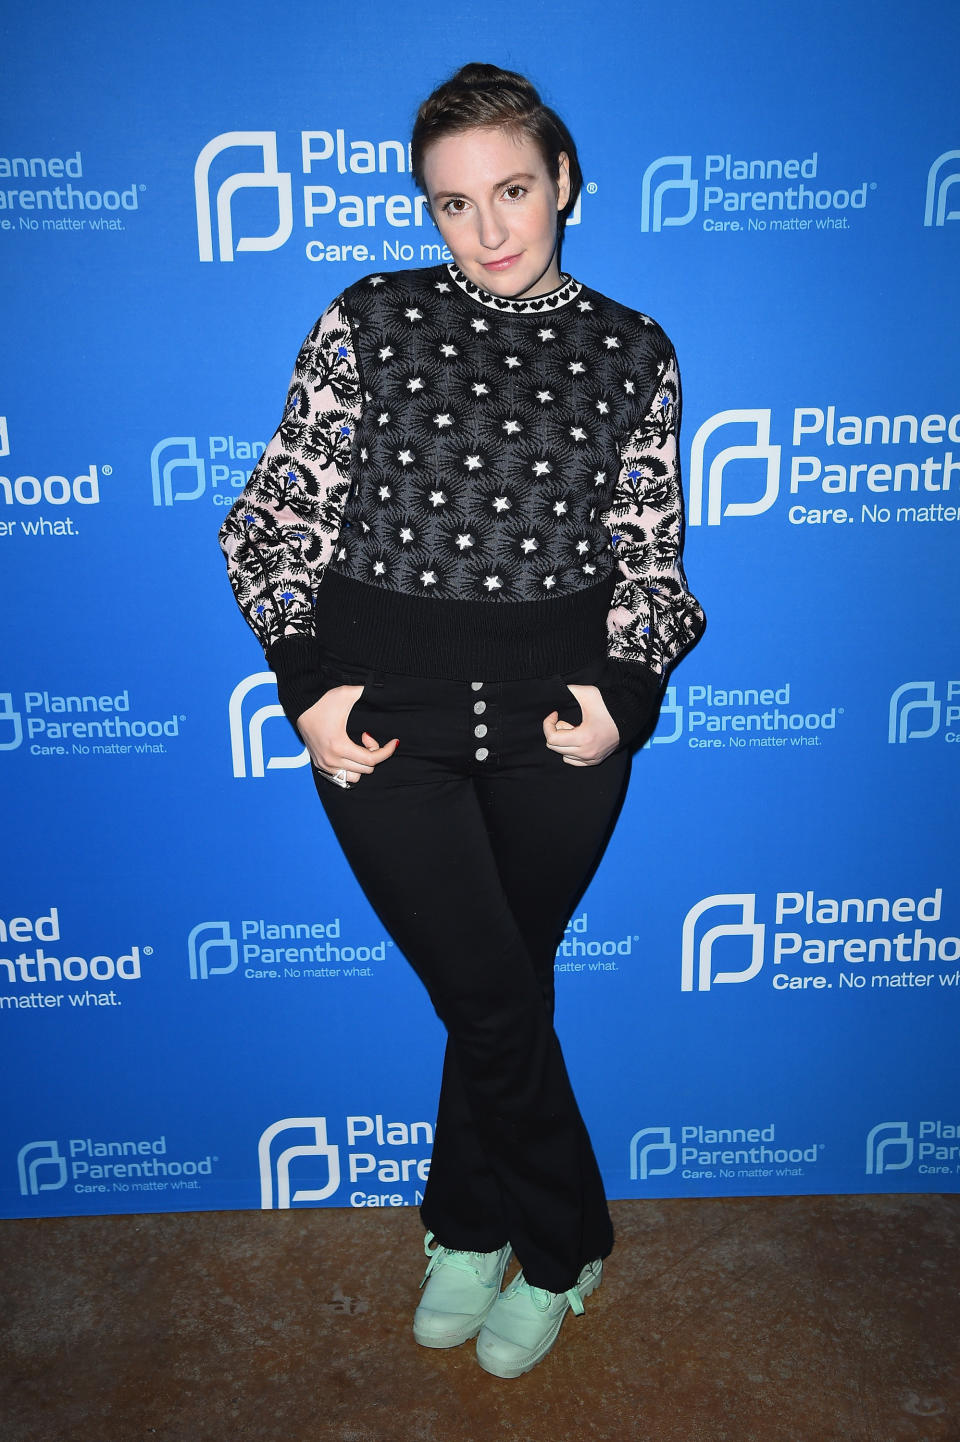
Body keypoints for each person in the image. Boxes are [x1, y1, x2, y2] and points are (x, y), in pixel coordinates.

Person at [219, 61, 705, 1379]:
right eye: (452, 204)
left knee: (501, 987)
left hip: (561, 728)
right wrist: (305, 681)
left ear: (566, 186)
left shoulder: (633, 347)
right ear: (425, 212)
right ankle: (565, 1238)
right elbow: (272, 523)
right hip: (384, 722)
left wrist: (629, 695)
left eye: (512, 191)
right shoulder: (368, 318)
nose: (489, 230)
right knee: (491, 993)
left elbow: (653, 563)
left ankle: (467, 1217)